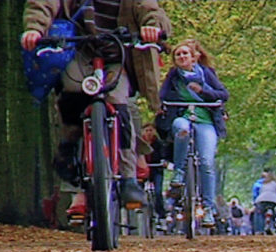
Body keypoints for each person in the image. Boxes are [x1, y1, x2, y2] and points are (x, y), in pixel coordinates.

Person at [21, 0, 171, 209]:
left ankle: (128, 180)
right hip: (78, 50)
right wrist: (35, 28)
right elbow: (43, 4)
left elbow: (150, 10)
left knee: (119, 105)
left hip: (118, 56)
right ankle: (70, 150)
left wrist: (152, 27)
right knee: (71, 92)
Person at [159, 39, 229, 227]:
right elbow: (163, 96)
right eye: (178, 55)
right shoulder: (173, 76)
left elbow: (223, 94)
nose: (181, 57)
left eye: (185, 54)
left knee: (206, 162)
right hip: (183, 117)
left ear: (193, 58)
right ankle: (179, 173)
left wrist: (203, 91)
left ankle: (208, 208)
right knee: (181, 130)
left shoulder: (206, 74)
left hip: (205, 121)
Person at [141, 123, 168, 220]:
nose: (149, 133)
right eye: (147, 130)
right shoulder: (139, 143)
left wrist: (163, 162)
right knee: (140, 189)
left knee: (158, 192)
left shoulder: (159, 143)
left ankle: (161, 215)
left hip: (156, 170)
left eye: (151, 130)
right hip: (143, 170)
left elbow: (163, 155)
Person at [253, 170, 276, 234]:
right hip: (273, 200)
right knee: (273, 214)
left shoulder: (263, 184)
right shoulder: (275, 184)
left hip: (261, 199)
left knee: (259, 214)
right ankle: (271, 227)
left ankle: (259, 230)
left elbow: (259, 193)